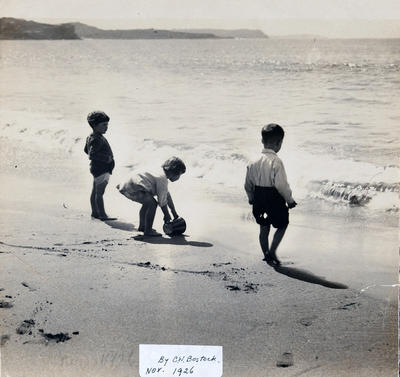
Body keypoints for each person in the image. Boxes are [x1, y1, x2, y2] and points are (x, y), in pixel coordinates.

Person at [244, 123, 297, 266]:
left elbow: (247, 184)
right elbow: (281, 185)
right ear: (279, 143)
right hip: (274, 199)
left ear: (262, 141)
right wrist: (290, 200)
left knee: (263, 227)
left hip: (259, 199)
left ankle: (266, 253)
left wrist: (251, 198)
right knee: (282, 224)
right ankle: (273, 250)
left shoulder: (252, 161)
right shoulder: (276, 161)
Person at [117, 157, 186, 237]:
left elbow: (167, 196)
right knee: (152, 203)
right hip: (135, 187)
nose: (179, 178)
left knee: (147, 203)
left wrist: (174, 213)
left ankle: (143, 226)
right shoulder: (162, 179)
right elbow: (162, 202)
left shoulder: (158, 173)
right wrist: (167, 216)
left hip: (127, 185)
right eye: (180, 175)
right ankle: (148, 230)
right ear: (175, 172)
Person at [84, 111, 116, 221]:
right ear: (94, 125)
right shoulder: (96, 138)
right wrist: (106, 158)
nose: (106, 127)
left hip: (96, 168)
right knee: (100, 193)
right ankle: (102, 214)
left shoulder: (92, 137)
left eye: (107, 125)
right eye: (103, 125)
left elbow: (86, 150)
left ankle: (95, 212)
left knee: (95, 191)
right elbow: (91, 154)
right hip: (101, 169)